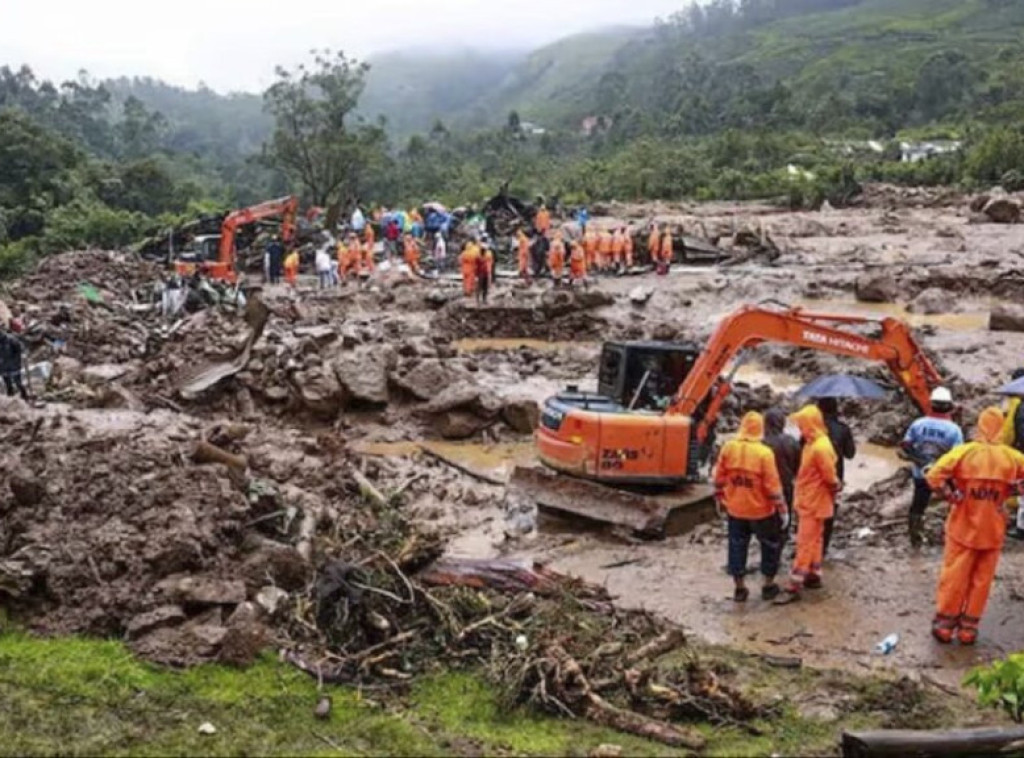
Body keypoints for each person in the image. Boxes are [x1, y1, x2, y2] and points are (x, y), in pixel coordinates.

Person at [927, 407, 1024, 645]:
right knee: (982, 580)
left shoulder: (965, 453)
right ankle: (968, 628)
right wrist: (1013, 490)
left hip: (963, 525)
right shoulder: (1013, 457)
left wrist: (951, 495)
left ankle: (945, 625)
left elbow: (933, 476)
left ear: (980, 426)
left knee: (955, 575)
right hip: (994, 527)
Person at [714, 412, 786, 602]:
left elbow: (718, 478)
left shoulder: (728, 448)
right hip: (762, 511)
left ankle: (739, 588)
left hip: (736, 509)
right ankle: (768, 585)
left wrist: (720, 498)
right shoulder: (764, 453)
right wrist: (783, 509)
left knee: (737, 546)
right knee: (769, 545)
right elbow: (773, 486)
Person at [777, 405, 840, 604]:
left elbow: (830, 478)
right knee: (815, 539)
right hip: (812, 499)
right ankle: (813, 574)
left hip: (813, 501)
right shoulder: (814, 443)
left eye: (802, 425)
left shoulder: (820, 447)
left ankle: (794, 584)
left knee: (804, 542)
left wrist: (835, 487)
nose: (800, 429)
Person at [902, 387, 964, 548]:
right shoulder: (954, 430)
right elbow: (958, 456)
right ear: (949, 406)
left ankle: (915, 538)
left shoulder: (918, 424)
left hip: (920, 474)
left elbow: (906, 445)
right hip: (945, 476)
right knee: (954, 502)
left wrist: (921, 460)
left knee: (918, 505)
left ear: (931, 404)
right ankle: (953, 534)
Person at [817, 397, 856, 555]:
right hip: (834, 478)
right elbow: (850, 454)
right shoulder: (843, 429)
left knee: (811, 513)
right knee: (829, 512)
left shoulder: (812, 429)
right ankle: (823, 547)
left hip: (813, 478)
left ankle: (810, 545)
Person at [763, 407, 801, 530]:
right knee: (785, 517)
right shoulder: (792, 442)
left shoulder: (762, 444)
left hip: (765, 487)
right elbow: (798, 467)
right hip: (786, 484)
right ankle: (783, 536)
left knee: (767, 518)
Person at [0, 330, 28, 401]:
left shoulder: (11, 339)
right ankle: (11, 400)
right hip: (3, 366)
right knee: (8, 384)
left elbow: (20, 348)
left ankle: (25, 397)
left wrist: (22, 356)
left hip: (14, 365)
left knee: (18, 382)